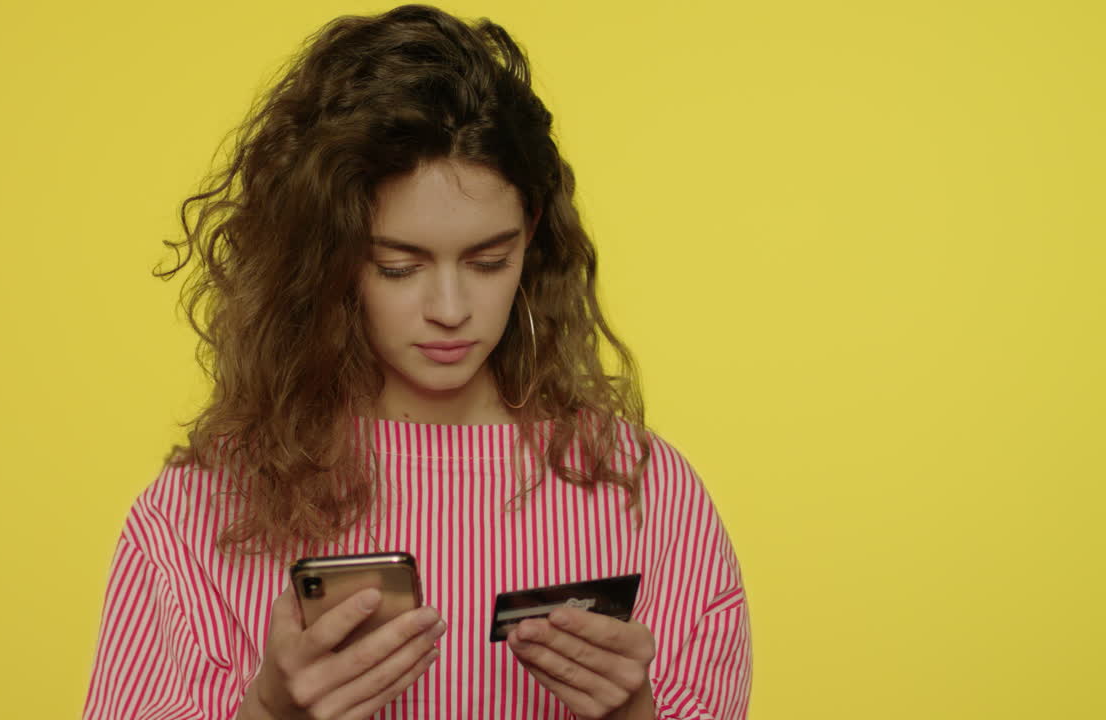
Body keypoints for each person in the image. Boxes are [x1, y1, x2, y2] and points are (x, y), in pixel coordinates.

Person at [80, 4, 751, 719]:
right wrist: (269, 713)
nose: (452, 308)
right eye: (399, 266)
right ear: (327, 259)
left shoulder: (651, 495)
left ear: (532, 238)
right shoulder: (198, 509)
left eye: (490, 260)